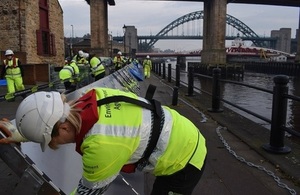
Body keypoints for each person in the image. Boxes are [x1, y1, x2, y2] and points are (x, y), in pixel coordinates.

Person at [0, 87, 207, 195]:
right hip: (181, 129)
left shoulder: (101, 146)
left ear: (63, 128)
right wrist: (23, 133)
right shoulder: (90, 97)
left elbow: (89, 191)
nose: (58, 145)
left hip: (185, 159)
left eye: (52, 141)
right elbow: (50, 122)